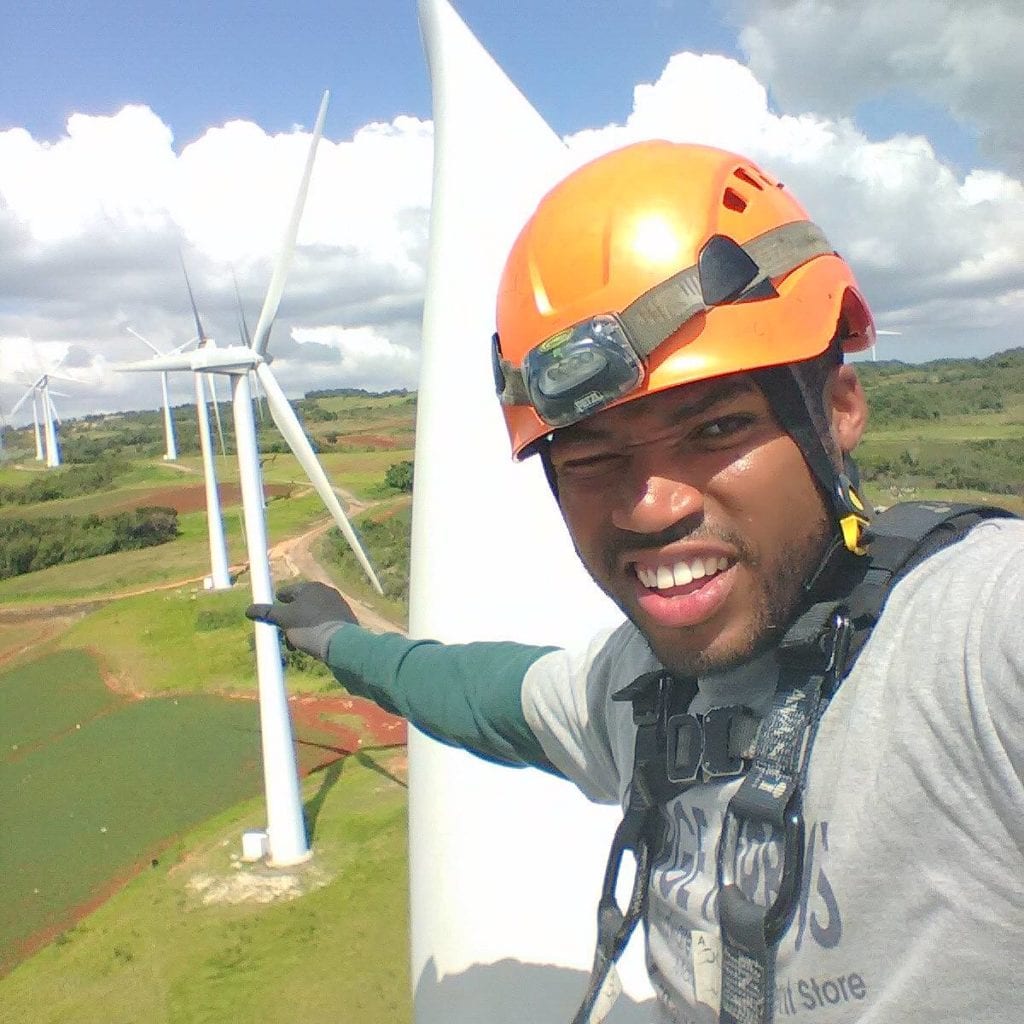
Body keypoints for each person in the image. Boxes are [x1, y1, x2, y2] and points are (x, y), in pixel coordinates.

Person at [247, 141, 1024, 1024]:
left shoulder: (972, 638)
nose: (650, 507)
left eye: (716, 427)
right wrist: (346, 643)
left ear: (837, 410)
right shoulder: (638, 691)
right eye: (590, 459)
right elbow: (488, 696)